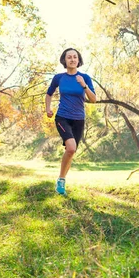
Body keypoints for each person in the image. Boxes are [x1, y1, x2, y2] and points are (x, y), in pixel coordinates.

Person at [45, 48, 96, 195]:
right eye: (69, 57)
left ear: (78, 60)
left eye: (75, 57)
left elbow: (93, 99)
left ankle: (62, 181)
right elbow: (49, 94)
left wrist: (84, 86)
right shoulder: (59, 78)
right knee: (72, 148)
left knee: (71, 151)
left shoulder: (84, 78)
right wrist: (48, 108)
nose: (72, 59)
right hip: (63, 117)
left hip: (79, 119)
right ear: (64, 60)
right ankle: (61, 180)